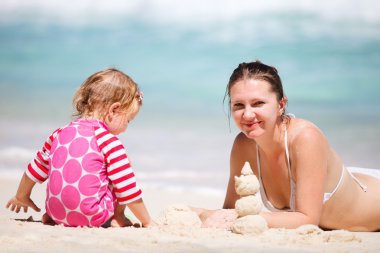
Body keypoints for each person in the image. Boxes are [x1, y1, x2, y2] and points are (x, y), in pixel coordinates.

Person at [196, 60, 380, 232]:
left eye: (258, 103)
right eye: (238, 105)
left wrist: (235, 216)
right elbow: (229, 212)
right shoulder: (244, 145)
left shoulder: (305, 138)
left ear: (281, 105)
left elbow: (308, 219)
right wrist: (205, 214)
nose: (247, 114)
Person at [6, 68, 154, 228]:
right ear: (114, 110)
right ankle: (118, 217)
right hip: (94, 217)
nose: (126, 127)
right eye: (128, 121)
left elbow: (35, 169)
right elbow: (127, 188)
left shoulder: (59, 133)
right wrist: (147, 221)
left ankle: (54, 214)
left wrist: (22, 195)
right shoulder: (108, 141)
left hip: (56, 214)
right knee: (122, 165)